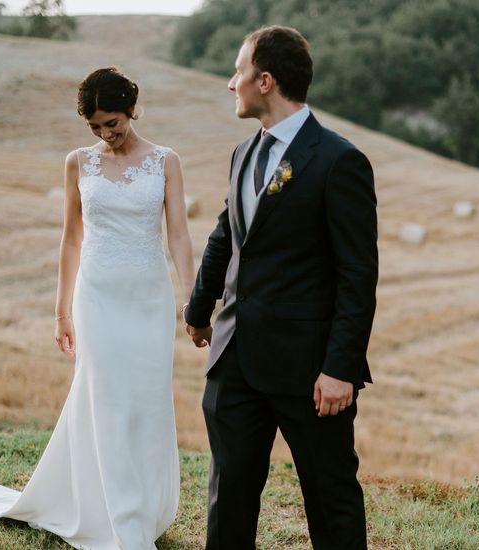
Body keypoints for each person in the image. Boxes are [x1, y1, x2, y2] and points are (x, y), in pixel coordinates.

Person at [0, 67, 195, 550]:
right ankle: (122, 521)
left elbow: (179, 233)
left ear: (132, 109)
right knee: (106, 397)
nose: (106, 134)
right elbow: (71, 237)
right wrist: (61, 311)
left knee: (144, 402)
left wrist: (190, 297)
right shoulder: (79, 163)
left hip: (148, 297)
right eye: (96, 126)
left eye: (112, 122)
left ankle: (142, 506)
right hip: (96, 296)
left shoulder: (166, 161)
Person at [184, 26, 378, 550]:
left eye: (239, 72)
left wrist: (340, 368)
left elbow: (358, 277)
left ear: (265, 81)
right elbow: (226, 235)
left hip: (310, 373)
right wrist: (198, 309)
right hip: (235, 360)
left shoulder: (340, 161)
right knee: (229, 498)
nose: (231, 84)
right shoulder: (243, 154)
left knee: (330, 498)